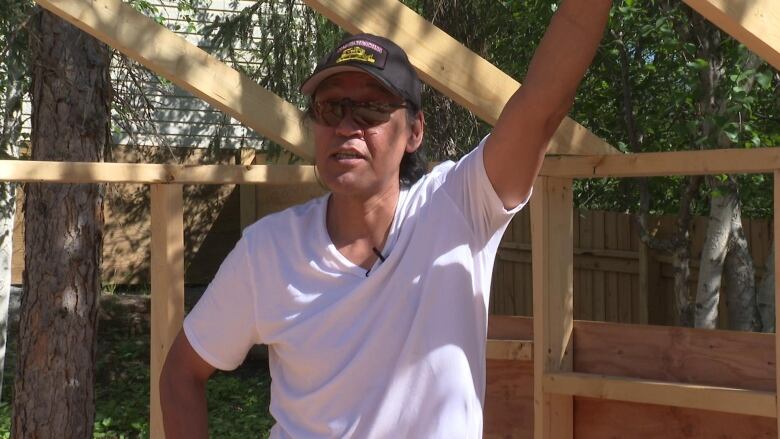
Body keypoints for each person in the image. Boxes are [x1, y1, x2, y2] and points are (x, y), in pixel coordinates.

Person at [160, 1, 612, 437]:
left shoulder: (458, 207)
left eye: (372, 109)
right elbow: (181, 372)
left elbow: (542, 104)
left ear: (414, 131)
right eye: (330, 108)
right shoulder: (269, 251)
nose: (346, 126)